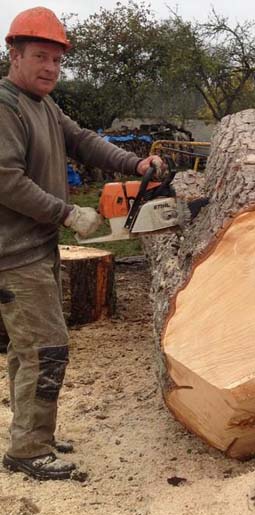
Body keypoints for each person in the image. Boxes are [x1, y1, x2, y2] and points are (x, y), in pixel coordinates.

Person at [0, 7, 164, 480]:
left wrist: (134, 166)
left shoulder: (45, 105)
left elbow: (85, 142)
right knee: (46, 349)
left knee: (27, 350)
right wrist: (67, 212)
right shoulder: (6, 106)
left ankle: (32, 434)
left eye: (56, 59)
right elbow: (6, 180)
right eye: (40, 57)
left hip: (37, 247)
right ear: (14, 55)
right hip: (14, 254)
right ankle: (28, 451)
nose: (50, 68)